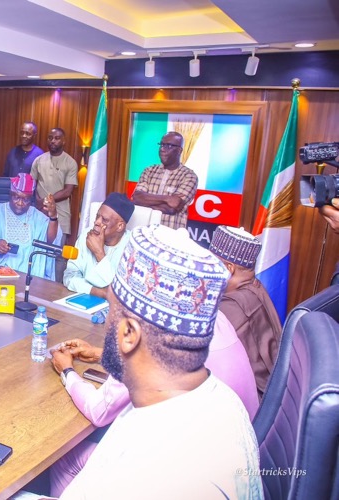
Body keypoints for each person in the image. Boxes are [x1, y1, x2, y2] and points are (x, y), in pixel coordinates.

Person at [58, 224, 262, 499]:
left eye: (111, 310)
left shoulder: (139, 476)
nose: (106, 323)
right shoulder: (225, 401)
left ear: (129, 334)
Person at [209, 225, 283, 399]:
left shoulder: (232, 307)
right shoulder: (256, 288)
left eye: (211, 262)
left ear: (229, 268)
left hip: (253, 400)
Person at [0, 173, 61, 279]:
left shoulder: (37, 217)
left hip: (28, 275)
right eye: (16, 197)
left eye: (26, 199)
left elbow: (50, 242)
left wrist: (53, 217)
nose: (20, 203)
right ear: (10, 194)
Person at [63, 193, 134, 298]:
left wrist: (99, 253)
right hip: (81, 298)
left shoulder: (132, 248)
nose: (96, 222)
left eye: (104, 220)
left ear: (120, 226)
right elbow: (69, 276)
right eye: (97, 216)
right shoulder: (86, 235)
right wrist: (100, 292)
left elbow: (121, 291)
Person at [30, 127, 78, 282]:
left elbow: (68, 191)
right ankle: (36, 285)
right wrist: (38, 201)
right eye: (50, 137)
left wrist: (46, 200)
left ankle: (56, 288)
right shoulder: (38, 160)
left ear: (64, 141)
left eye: (57, 138)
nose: (53, 141)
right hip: (38, 212)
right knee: (37, 250)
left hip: (61, 215)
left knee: (58, 254)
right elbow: (31, 185)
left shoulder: (70, 162)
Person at [131, 131, 198, 230]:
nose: (162, 149)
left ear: (179, 151)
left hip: (168, 235)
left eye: (169, 146)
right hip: (143, 231)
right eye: (162, 145)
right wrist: (167, 199)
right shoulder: (149, 171)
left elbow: (173, 207)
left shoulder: (189, 176)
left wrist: (146, 202)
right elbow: (137, 198)